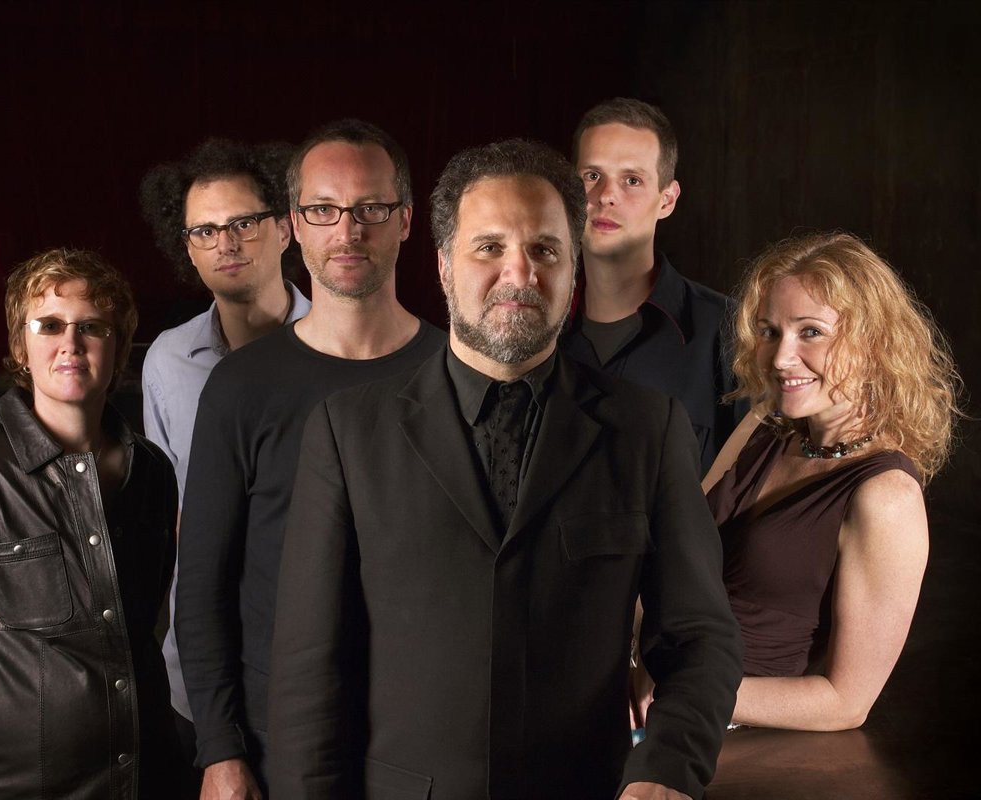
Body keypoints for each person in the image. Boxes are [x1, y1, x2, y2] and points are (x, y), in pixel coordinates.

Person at [267, 140, 741, 800]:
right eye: (489, 247)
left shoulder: (646, 430)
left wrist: (666, 772)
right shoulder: (348, 432)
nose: (520, 274)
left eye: (545, 250)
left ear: (574, 270)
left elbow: (701, 638)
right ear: (443, 266)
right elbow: (307, 671)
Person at [175, 119, 445, 799]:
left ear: (406, 220)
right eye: (324, 210)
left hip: (426, 731)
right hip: (279, 736)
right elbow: (203, 587)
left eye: (370, 209)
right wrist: (220, 750)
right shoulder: (241, 387)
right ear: (294, 224)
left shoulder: (458, 373)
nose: (347, 231)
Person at [0, 249, 182, 797]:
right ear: (21, 347)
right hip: (18, 783)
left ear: (118, 347)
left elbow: (144, 620)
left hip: (145, 774)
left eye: (92, 326)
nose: (71, 343)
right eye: (49, 325)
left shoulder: (153, 472)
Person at [702, 231, 961, 731]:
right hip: (641, 674)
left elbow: (845, 702)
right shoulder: (762, 425)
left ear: (874, 344)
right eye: (770, 331)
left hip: (719, 720)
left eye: (811, 332)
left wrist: (685, 693)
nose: (781, 358)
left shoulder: (886, 497)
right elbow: (671, 551)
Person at [138, 138, 311, 783]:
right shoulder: (167, 361)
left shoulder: (343, 349)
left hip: (310, 662)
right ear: (187, 247)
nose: (225, 243)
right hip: (197, 673)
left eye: (243, 223)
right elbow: (171, 515)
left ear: (285, 228)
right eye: (205, 231)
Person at [562, 98, 743, 475]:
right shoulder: (537, 331)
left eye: (632, 180)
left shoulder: (730, 331)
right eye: (592, 176)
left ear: (667, 200)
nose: (606, 195)